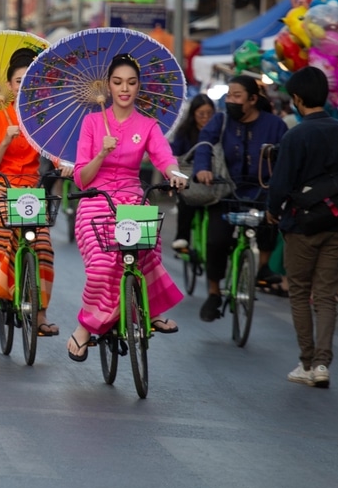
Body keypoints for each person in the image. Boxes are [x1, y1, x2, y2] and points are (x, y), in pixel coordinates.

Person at [67, 53, 187, 362]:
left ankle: (150, 309)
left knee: (147, 248)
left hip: (133, 197)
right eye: (118, 82)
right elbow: (81, 178)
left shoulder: (147, 125)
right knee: (104, 265)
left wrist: (173, 174)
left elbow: (163, 157)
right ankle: (86, 327)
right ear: (108, 86)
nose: (125, 89)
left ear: (138, 86)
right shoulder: (92, 123)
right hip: (96, 200)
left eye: (131, 83)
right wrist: (101, 154)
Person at [265, 67, 338, 388]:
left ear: (298, 99)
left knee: (301, 292)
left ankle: (306, 362)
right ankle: (322, 365)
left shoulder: (295, 136)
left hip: (301, 226)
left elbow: (280, 184)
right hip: (337, 222)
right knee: (327, 296)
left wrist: (272, 212)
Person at [0, 47, 64, 336]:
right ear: (10, 86)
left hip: (29, 188)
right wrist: (4, 141)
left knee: (43, 245)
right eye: (18, 81)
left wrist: (66, 166)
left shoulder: (41, 120)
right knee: (3, 217)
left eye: (29, 81)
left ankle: (40, 315)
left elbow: (56, 152)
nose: (23, 86)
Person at [193, 74, 287, 321]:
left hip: (261, 191)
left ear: (253, 99)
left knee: (271, 220)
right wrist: (202, 168)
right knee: (216, 241)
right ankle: (214, 292)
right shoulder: (221, 120)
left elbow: (285, 157)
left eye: (237, 96)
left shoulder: (275, 125)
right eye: (229, 96)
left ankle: (263, 266)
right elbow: (204, 142)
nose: (231, 100)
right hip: (226, 190)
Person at [169, 93, 215, 250]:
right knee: (186, 202)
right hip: (189, 177)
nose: (206, 118)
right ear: (193, 114)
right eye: (201, 114)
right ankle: (182, 237)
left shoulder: (218, 132)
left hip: (212, 178)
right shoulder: (184, 131)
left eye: (210, 114)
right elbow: (173, 152)